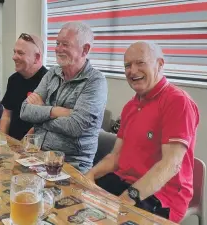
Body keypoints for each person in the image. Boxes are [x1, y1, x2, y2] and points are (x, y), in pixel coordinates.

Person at [85, 41, 199, 222]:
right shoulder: (131, 106)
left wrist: (126, 198)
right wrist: (90, 176)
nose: (132, 70)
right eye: (127, 65)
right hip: (125, 182)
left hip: (161, 196)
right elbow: (116, 157)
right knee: (75, 205)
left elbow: (170, 165)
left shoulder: (177, 101)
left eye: (140, 63)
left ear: (160, 64)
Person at [20, 21, 107, 173]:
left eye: (65, 44)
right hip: (37, 156)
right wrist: (55, 111)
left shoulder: (95, 81)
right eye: (58, 43)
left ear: (85, 49)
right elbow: (24, 111)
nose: (58, 49)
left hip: (71, 166)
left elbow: (75, 127)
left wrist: (41, 114)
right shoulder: (52, 73)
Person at [0, 33, 47, 140]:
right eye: (14, 52)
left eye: (20, 53)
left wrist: (22, 146)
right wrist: (1, 142)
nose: (14, 57)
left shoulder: (50, 82)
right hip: (12, 144)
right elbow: (7, 114)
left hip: (35, 149)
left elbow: (44, 124)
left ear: (37, 57)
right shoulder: (13, 80)